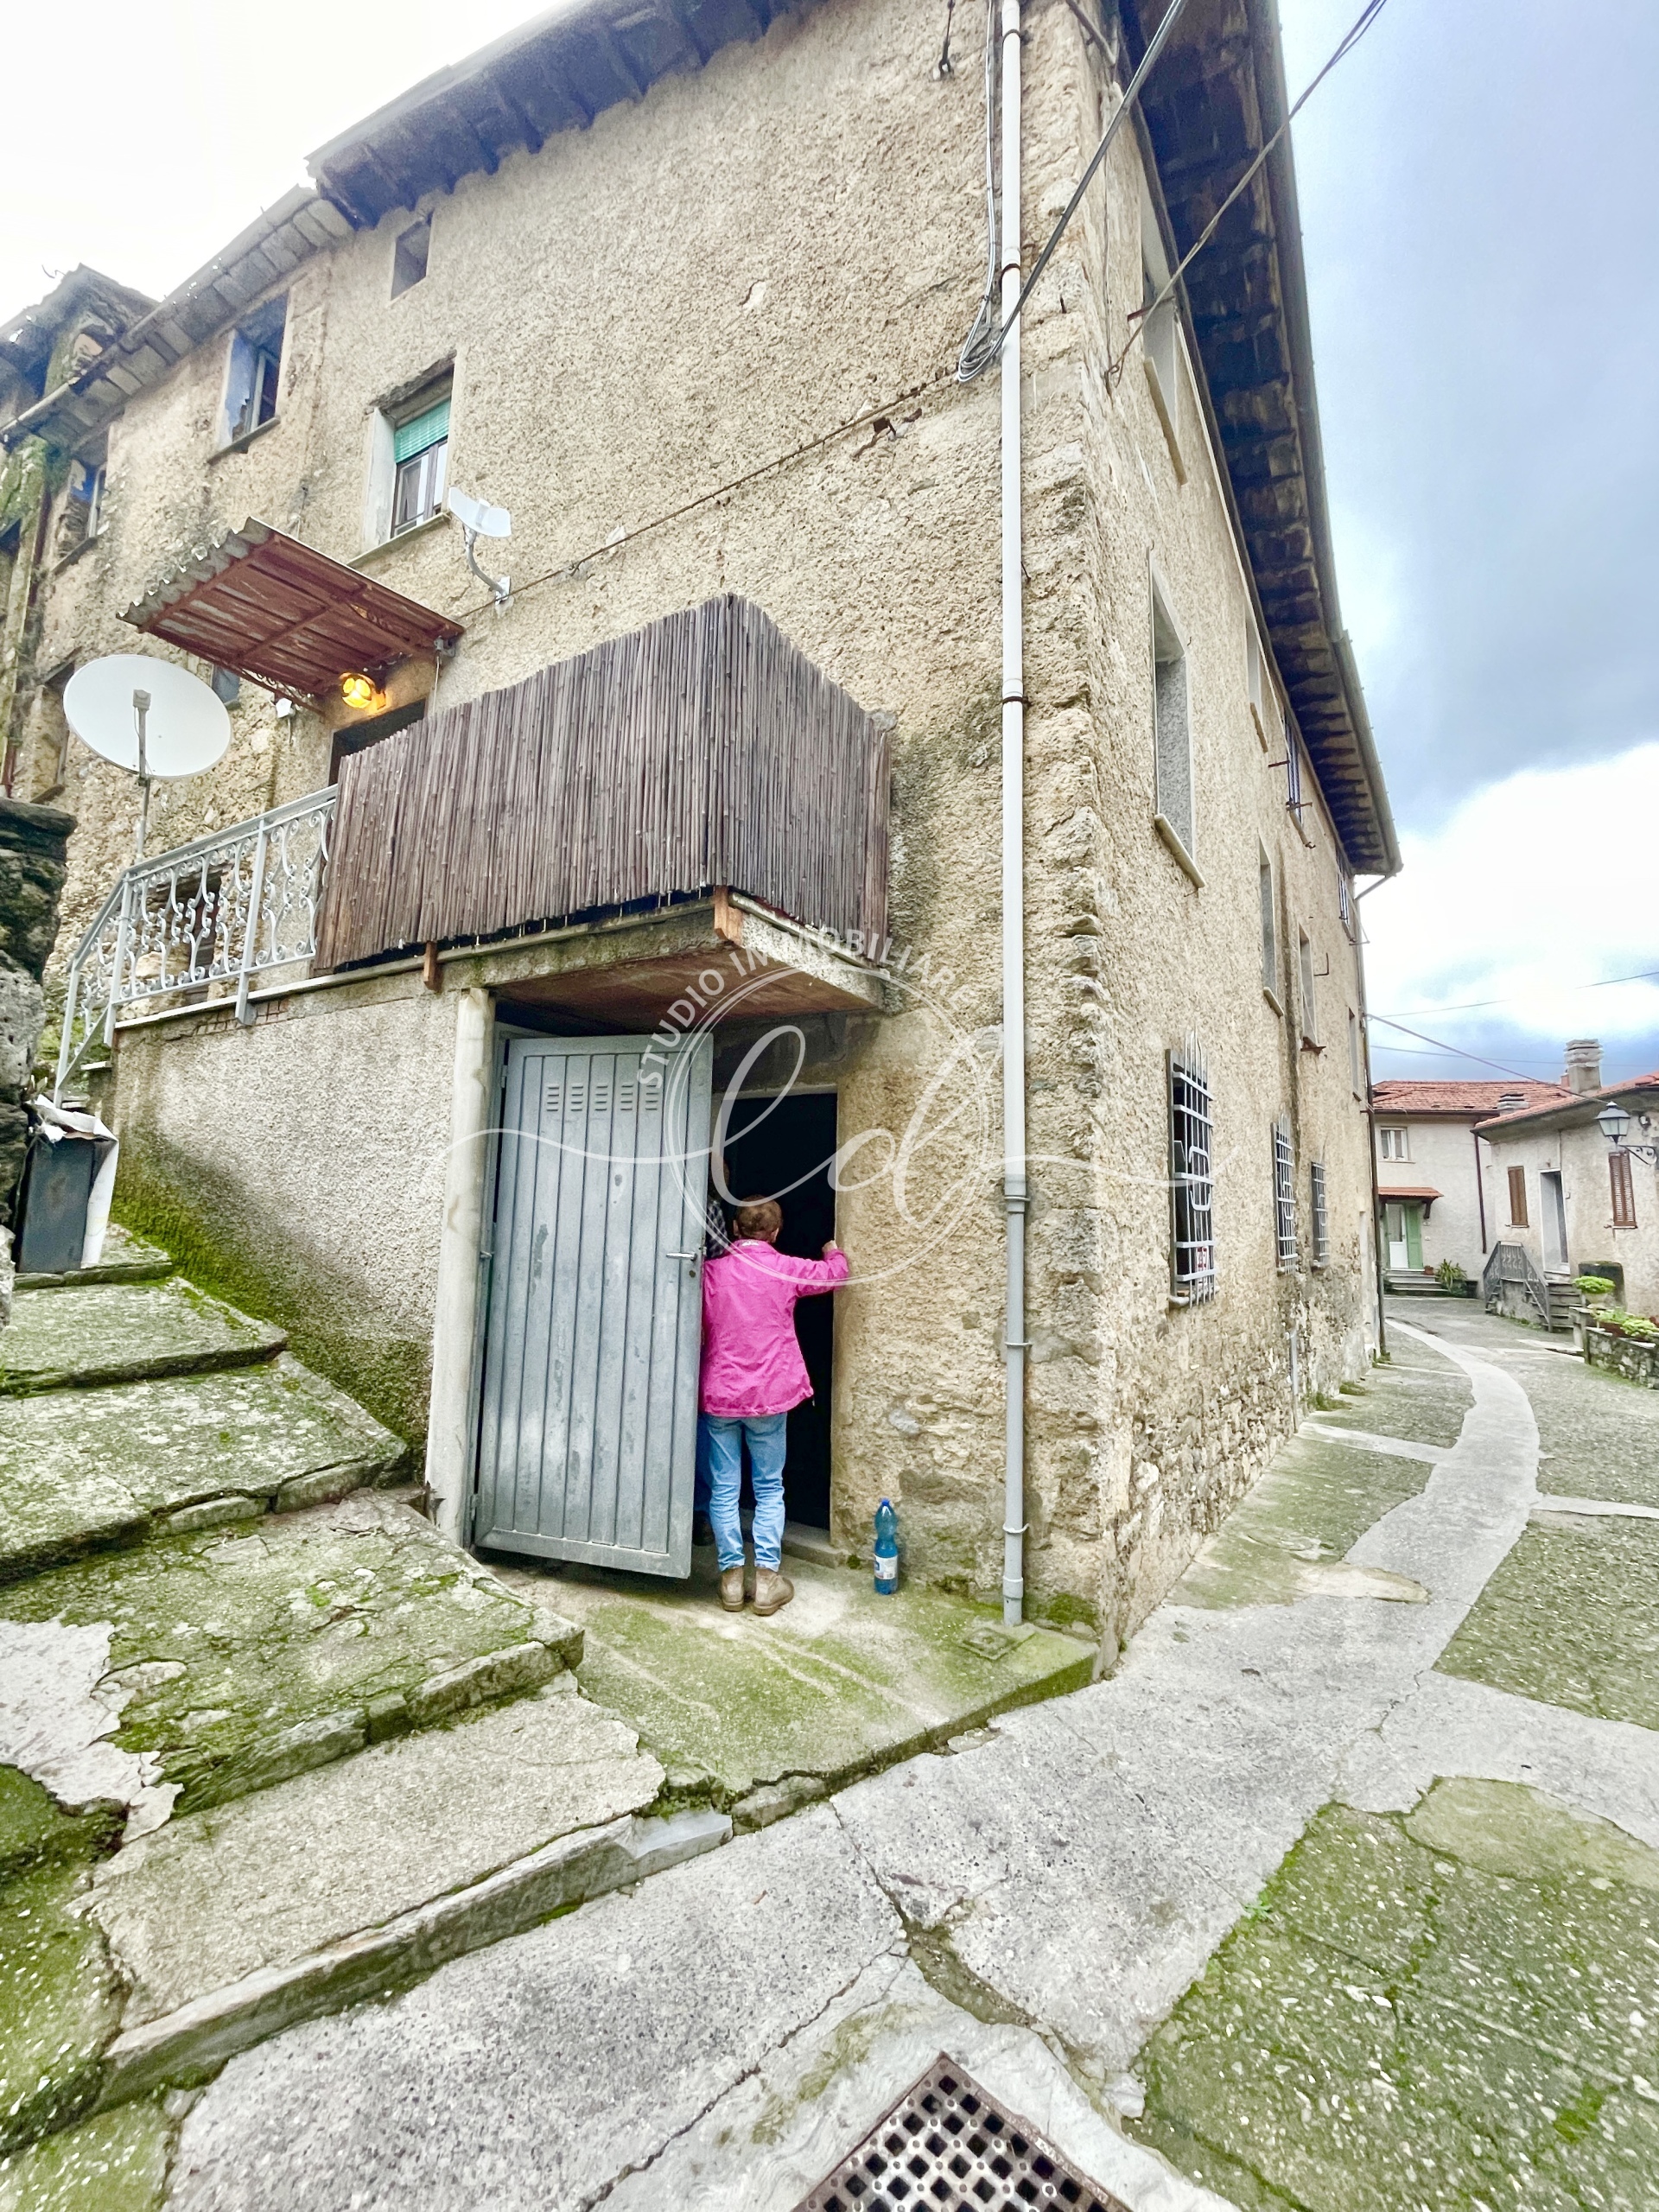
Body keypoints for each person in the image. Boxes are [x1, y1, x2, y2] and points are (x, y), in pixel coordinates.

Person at [698, 1197, 849, 1615]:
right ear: (776, 1233)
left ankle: (731, 1581)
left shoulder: (710, 1273)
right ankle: (766, 1582)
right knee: (768, 1488)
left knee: (725, 1488)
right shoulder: (782, 1268)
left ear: (733, 1227)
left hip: (721, 1395)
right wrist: (831, 1248)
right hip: (769, 1396)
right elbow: (837, 1275)